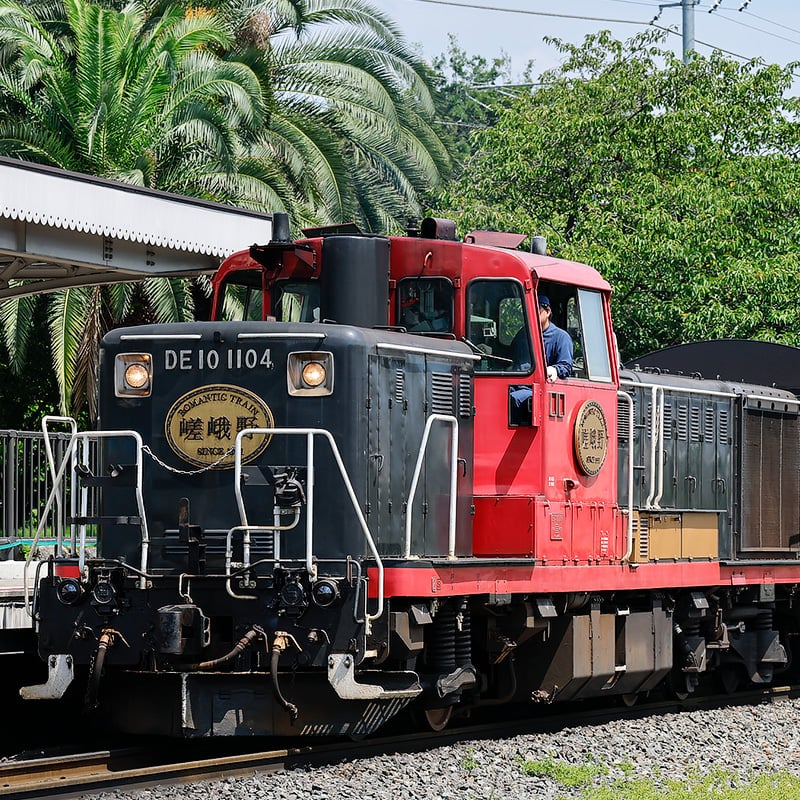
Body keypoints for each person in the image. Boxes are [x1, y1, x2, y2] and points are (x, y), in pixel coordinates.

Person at [537, 294, 573, 383]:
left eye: (537, 310)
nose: (532, 314)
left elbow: (566, 366)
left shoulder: (561, 337)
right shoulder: (522, 337)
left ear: (548, 312)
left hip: (539, 386)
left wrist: (554, 369)